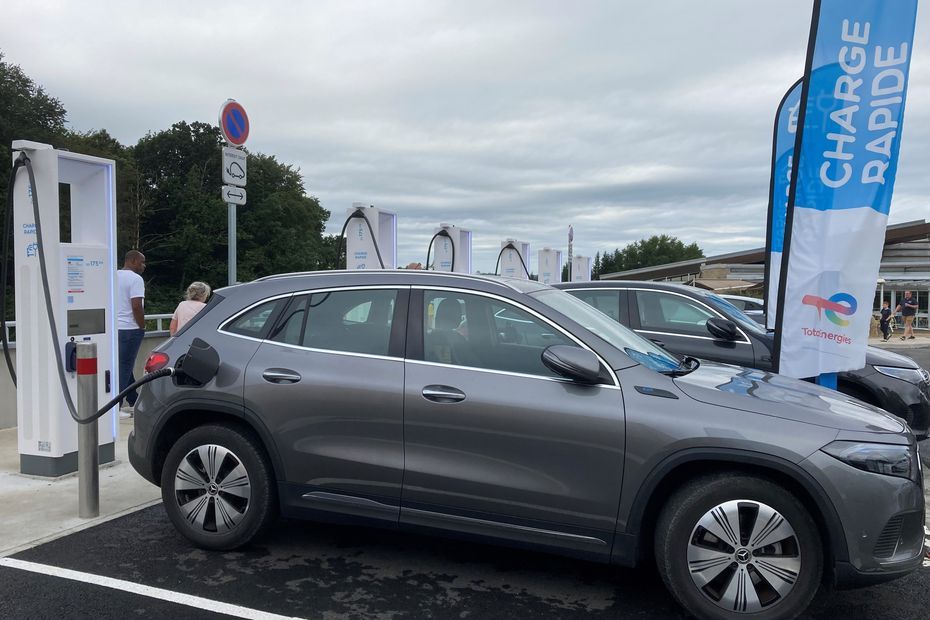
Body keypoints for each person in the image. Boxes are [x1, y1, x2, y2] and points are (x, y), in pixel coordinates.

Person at [117, 250, 146, 418]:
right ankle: (117, 406)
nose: (144, 266)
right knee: (124, 367)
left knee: (122, 366)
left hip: (115, 328)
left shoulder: (113, 275)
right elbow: (136, 305)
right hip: (130, 328)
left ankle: (134, 399)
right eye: (142, 262)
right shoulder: (136, 279)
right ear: (133, 261)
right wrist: (141, 326)